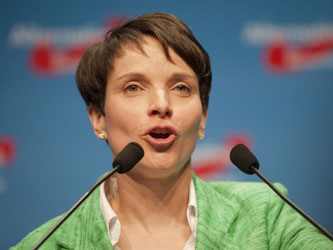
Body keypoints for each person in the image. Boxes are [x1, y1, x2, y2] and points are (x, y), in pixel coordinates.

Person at [12, 12, 332, 249]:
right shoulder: (47, 243)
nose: (162, 104)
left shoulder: (268, 218)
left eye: (180, 87)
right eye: (134, 87)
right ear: (98, 119)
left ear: (203, 118)